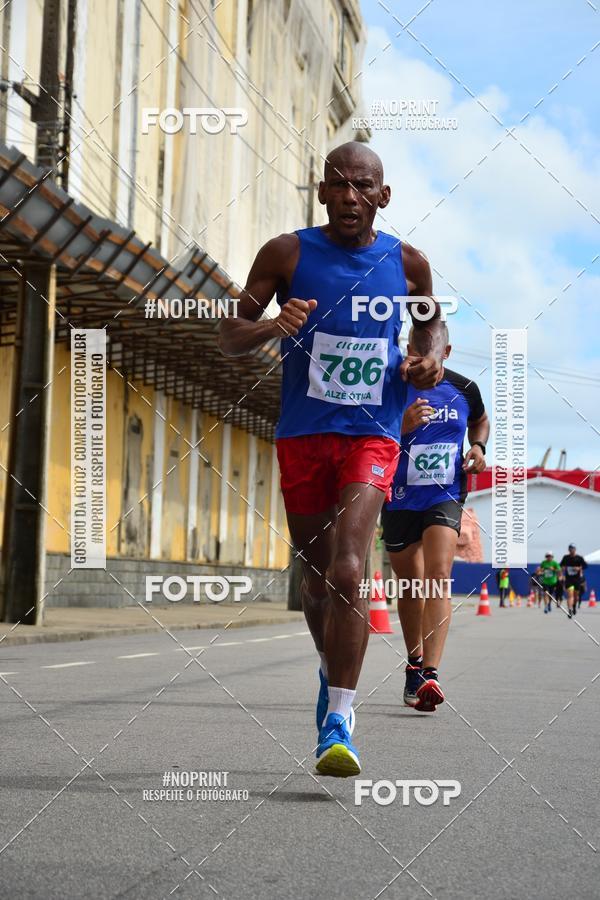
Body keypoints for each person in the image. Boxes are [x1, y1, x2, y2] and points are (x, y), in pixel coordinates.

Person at [219, 142, 442, 776]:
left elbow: (430, 326)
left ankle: (339, 720)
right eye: (338, 184)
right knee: (316, 582)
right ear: (321, 192)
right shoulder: (286, 253)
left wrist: (430, 358)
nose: (350, 195)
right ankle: (331, 671)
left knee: (349, 564)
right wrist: (271, 326)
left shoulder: (408, 263)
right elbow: (228, 333)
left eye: (363, 185)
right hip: (303, 436)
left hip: (373, 431)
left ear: (384, 195)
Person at [381, 324, 489, 711]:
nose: (421, 361)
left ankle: (431, 673)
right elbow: (365, 433)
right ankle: (413, 665)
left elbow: (480, 420)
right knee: (410, 585)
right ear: (406, 349)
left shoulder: (465, 389)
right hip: (398, 495)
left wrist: (477, 446)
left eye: (432, 354)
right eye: (415, 353)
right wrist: (400, 425)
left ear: (448, 351)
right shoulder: (391, 385)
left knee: (438, 576)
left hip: (444, 493)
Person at [560, 543, 587, 618]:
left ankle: (574, 606)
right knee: (570, 595)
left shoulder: (579, 558)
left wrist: (579, 568)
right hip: (569, 580)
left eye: (573, 548)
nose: (571, 550)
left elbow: (585, 565)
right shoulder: (566, 557)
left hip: (577, 580)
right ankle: (570, 610)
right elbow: (561, 565)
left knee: (576, 596)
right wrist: (562, 571)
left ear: (575, 549)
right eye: (570, 548)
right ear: (568, 549)